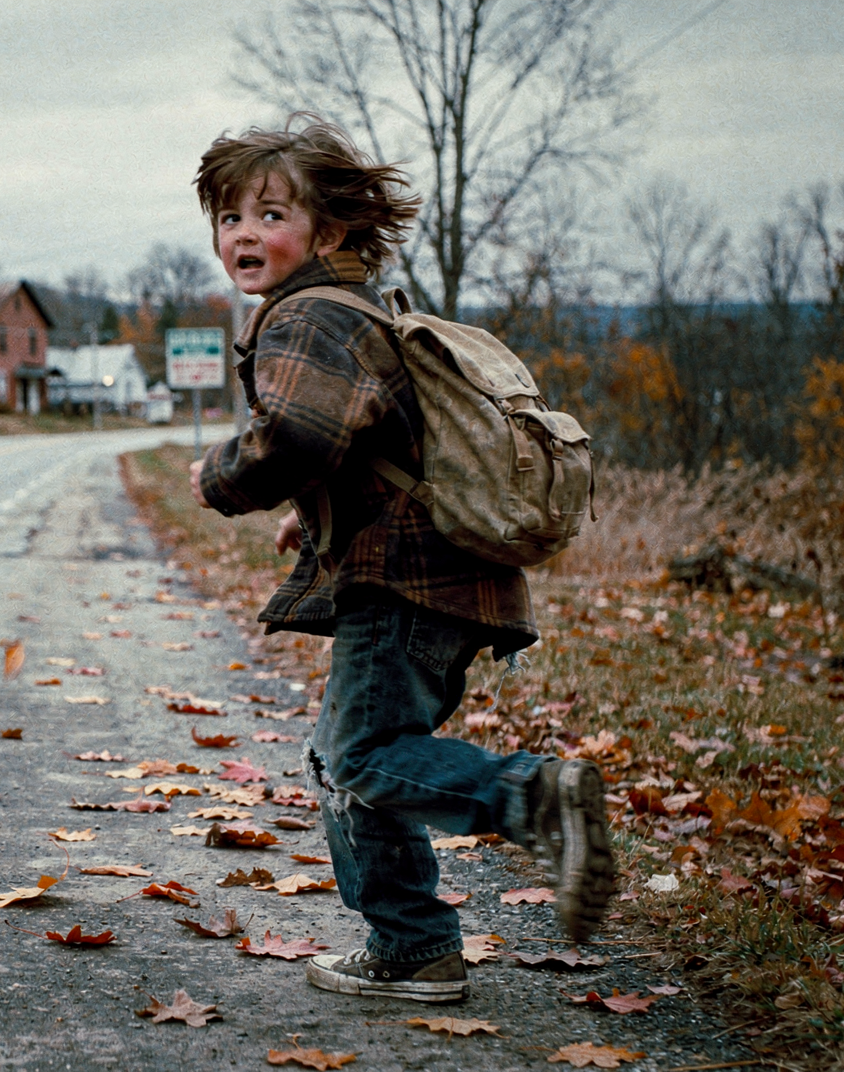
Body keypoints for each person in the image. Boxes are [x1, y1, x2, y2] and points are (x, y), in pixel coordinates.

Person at [186, 114, 614, 1005]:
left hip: (406, 585)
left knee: (364, 756)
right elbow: (370, 442)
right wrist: (317, 521)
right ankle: (414, 944)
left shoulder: (306, 315)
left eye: (269, 214)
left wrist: (219, 477)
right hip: (434, 575)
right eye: (229, 218)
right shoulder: (354, 310)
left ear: (328, 231)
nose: (243, 235)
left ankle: (532, 801)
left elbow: (297, 434)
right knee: (351, 758)